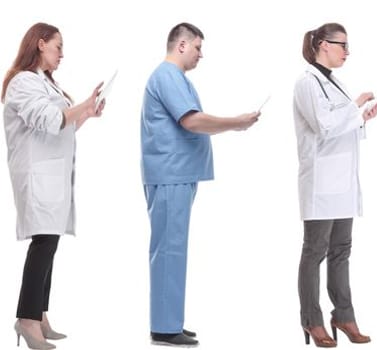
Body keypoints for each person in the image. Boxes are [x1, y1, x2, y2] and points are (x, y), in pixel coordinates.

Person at [141, 22, 260, 348]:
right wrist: (236, 123)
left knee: (173, 250)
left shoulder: (177, 79)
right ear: (181, 45)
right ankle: (164, 328)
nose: (200, 54)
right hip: (170, 175)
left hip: (178, 175)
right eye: (197, 47)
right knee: (168, 249)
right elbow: (191, 120)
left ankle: (169, 321)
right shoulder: (166, 76)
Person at [0, 22, 106, 350]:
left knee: (50, 241)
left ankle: (40, 315)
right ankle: (26, 319)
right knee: (43, 242)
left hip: (52, 174)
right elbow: (49, 120)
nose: (62, 54)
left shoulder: (48, 83)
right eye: (58, 46)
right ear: (41, 44)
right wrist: (82, 108)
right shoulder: (22, 83)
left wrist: (87, 112)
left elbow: (64, 127)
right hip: (35, 174)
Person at [290, 22, 377, 348]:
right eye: (342, 44)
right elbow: (324, 126)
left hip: (342, 182)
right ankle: (311, 320)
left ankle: (344, 315)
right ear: (323, 45)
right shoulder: (306, 82)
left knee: (341, 251)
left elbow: (340, 123)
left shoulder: (334, 83)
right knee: (315, 251)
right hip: (321, 183)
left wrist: (361, 113)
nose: (347, 51)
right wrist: (355, 111)